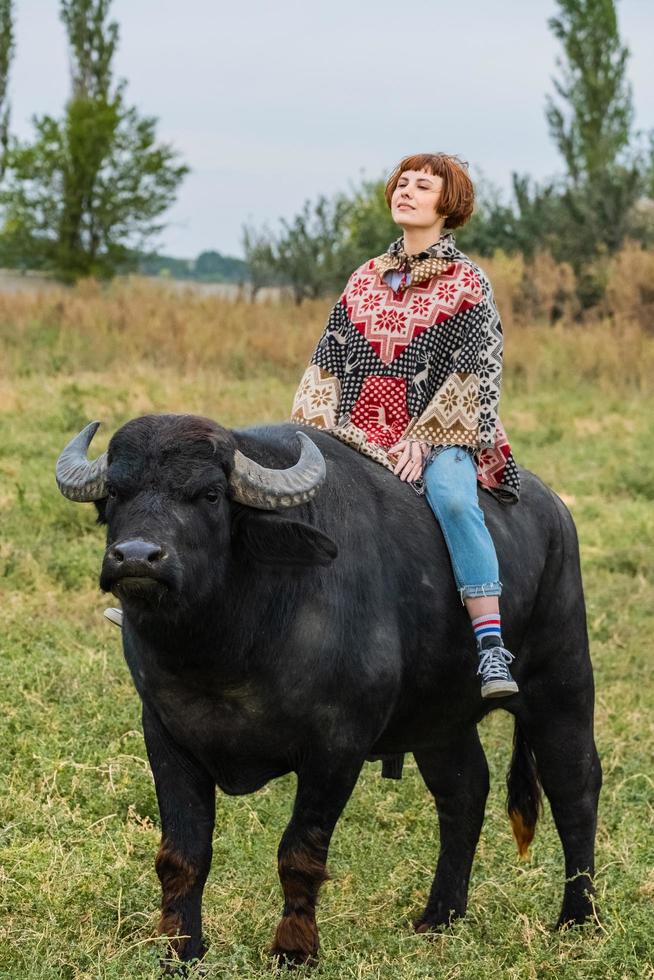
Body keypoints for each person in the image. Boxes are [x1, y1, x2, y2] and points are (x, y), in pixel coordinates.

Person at [290, 152, 521, 698]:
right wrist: (310, 429)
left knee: (455, 499)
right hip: (354, 430)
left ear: (449, 204)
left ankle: (491, 649)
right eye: (402, 183)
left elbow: (476, 366)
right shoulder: (364, 278)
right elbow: (328, 356)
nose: (407, 191)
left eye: (423, 185)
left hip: (440, 434)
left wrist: (426, 435)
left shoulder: (468, 283)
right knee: (287, 492)